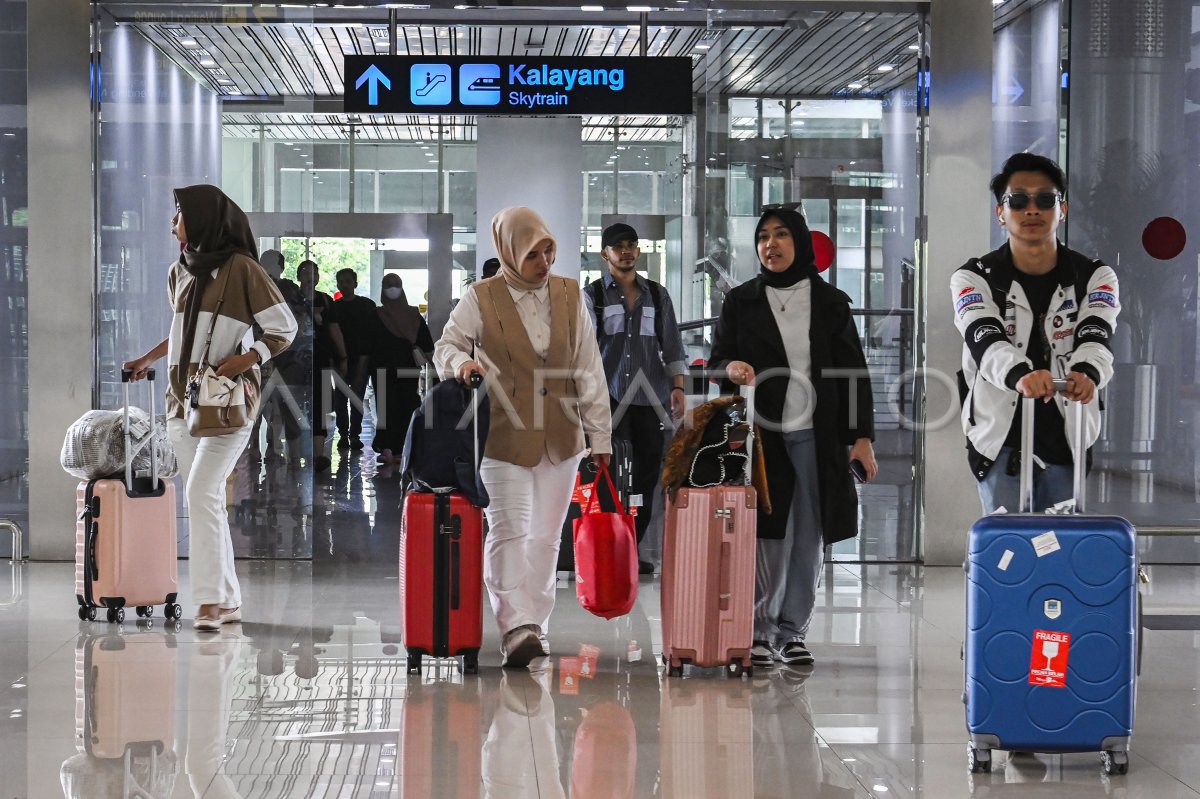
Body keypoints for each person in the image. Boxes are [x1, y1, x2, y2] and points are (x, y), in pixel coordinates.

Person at [434, 206, 612, 669]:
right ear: (510, 251)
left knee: (547, 538)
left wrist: (601, 437)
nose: (544, 262)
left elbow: (589, 368)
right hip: (502, 434)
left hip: (561, 434)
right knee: (510, 531)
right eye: (534, 253)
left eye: (549, 251)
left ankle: (537, 623)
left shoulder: (572, 295)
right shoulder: (481, 297)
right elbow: (445, 347)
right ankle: (515, 625)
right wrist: (462, 365)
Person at [709, 205, 876, 669]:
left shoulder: (830, 302)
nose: (771, 244)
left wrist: (861, 436)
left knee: (810, 534)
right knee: (768, 534)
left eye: (781, 235)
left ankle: (792, 631)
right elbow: (718, 359)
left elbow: (853, 373)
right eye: (763, 236)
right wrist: (732, 369)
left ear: (800, 242)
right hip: (764, 436)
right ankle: (759, 631)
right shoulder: (741, 301)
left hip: (819, 435)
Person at [124, 184, 297, 631]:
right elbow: (183, 333)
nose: (173, 221)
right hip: (181, 403)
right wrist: (148, 358)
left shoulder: (242, 269)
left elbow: (284, 327)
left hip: (225, 401)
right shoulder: (179, 271)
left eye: (179, 212)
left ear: (203, 219)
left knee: (201, 491)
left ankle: (207, 603)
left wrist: (247, 358)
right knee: (206, 501)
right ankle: (230, 599)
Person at [953, 152, 1119, 513]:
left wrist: (1087, 373)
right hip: (1000, 441)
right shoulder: (974, 277)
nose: (1032, 210)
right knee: (1006, 554)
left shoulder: (1093, 275)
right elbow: (983, 336)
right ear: (1001, 212)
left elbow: (1097, 332)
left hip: (1067, 438)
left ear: (1063, 210)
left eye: (1045, 200)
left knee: (1061, 554)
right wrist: (1021, 376)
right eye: (1018, 201)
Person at [583, 222, 688, 574]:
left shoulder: (657, 296)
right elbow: (584, 352)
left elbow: (671, 344)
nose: (626, 251)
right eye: (618, 246)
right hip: (607, 399)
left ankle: (631, 548)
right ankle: (606, 546)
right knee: (607, 475)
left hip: (650, 400)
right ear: (605, 254)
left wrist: (678, 386)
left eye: (631, 245)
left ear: (638, 251)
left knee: (645, 477)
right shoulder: (593, 296)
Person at [371, 273, 434, 465]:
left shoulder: (412, 314)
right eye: (388, 285)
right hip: (386, 371)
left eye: (395, 284)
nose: (392, 288)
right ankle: (391, 447)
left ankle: (400, 446)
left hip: (396, 370)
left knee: (403, 406)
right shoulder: (378, 314)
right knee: (388, 408)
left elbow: (427, 344)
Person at [297, 259, 346, 473]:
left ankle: (318, 455)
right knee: (294, 407)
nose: (310, 277)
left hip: (321, 361)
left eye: (314, 273)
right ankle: (292, 453)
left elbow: (335, 330)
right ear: (299, 276)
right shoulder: (292, 299)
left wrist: (342, 356)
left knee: (320, 407)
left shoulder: (326, 301)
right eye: (306, 273)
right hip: (296, 361)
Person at [329, 268, 377, 451]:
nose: (345, 285)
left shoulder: (367, 306)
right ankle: (343, 434)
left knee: (356, 397)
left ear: (355, 284)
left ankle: (354, 434)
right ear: (338, 285)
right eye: (341, 282)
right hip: (340, 358)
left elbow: (370, 337)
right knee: (341, 399)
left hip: (360, 359)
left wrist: (366, 361)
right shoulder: (334, 307)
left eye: (348, 281)